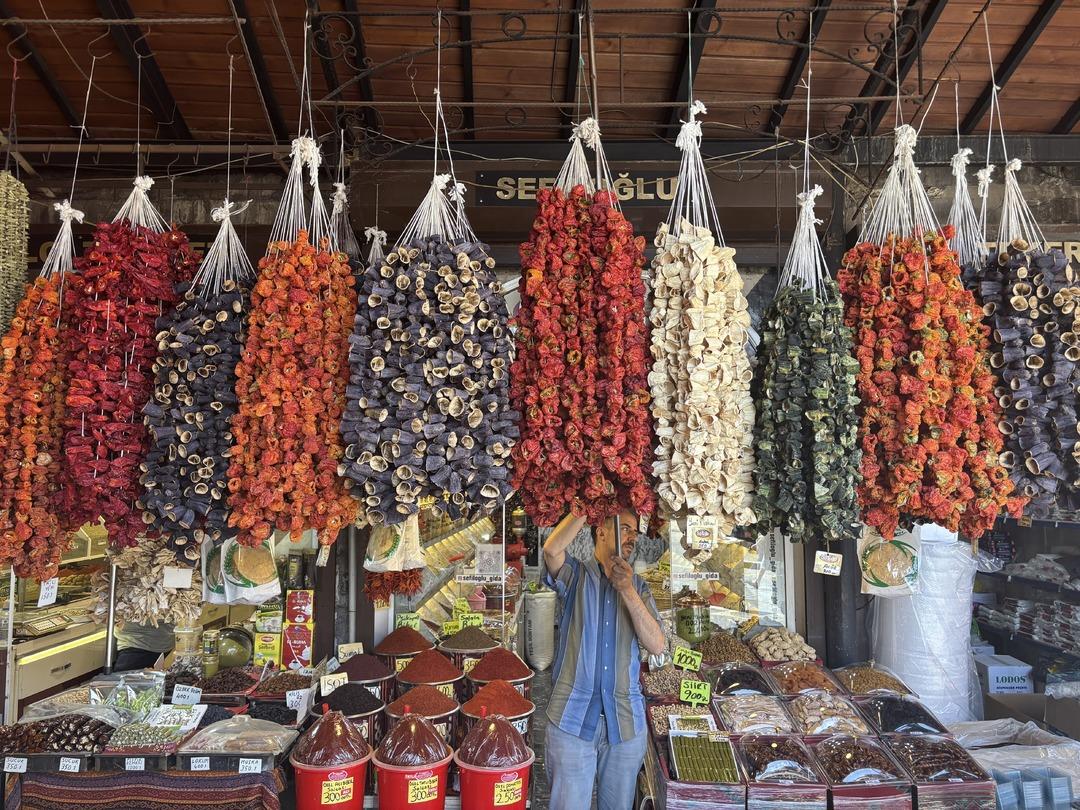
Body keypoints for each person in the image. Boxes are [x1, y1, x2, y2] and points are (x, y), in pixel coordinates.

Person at [542, 509, 666, 810]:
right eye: (624, 529)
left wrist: (627, 590)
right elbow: (551, 550)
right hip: (572, 719)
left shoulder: (639, 587)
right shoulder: (576, 577)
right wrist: (584, 507)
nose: (631, 538)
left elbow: (657, 644)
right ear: (601, 531)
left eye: (634, 533)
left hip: (624, 724)